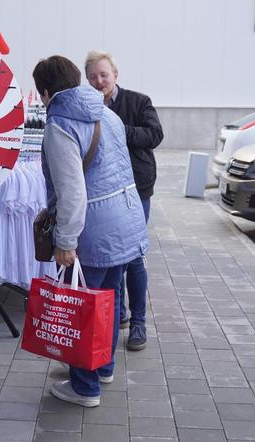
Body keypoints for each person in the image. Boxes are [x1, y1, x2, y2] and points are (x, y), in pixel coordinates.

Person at [33, 55, 148, 407]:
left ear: (47, 92)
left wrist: (65, 242)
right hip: (124, 221)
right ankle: (102, 367)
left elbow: (72, 191)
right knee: (107, 302)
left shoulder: (60, 126)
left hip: (91, 231)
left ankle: (84, 387)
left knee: (81, 305)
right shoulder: (106, 112)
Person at [85, 51, 163, 351]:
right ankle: (120, 315)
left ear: (115, 74)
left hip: (135, 190)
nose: (99, 81)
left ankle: (139, 323)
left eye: (103, 74)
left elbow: (154, 135)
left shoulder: (138, 101)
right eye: (92, 76)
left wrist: (116, 127)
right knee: (110, 257)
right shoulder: (87, 106)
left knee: (131, 257)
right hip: (102, 195)